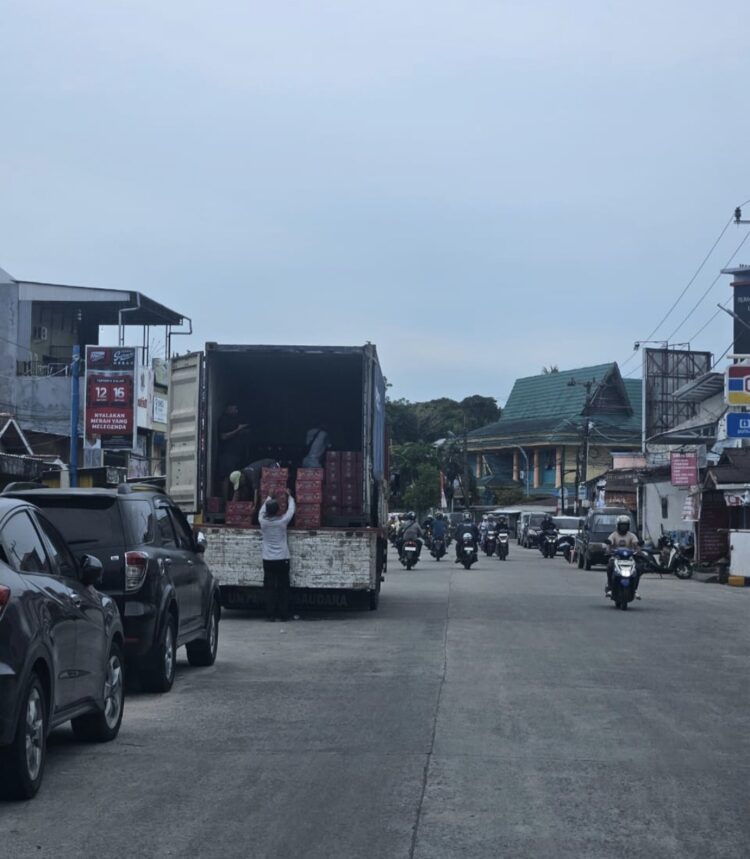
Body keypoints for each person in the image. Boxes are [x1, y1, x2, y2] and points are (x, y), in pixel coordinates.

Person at [259, 489, 297, 622]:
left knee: (269, 588)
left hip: (268, 560)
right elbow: (291, 510)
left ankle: (270, 615)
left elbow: (262, 510)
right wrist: (289, 497)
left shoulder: (263, 522)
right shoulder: (282, 522)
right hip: (282, 559)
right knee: (283, 588)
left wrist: (269, 496)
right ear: (277, 511)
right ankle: (284, 615)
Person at [218, 404, 249, 498]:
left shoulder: (234, 420)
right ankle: (226, 501)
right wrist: (238, 430)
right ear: (228, 408)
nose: (236, 411)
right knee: (226, 477)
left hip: (236, 455)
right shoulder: (224, 420)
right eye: (235, 408)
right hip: (227, 454)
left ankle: (234, 503)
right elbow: (223, 436)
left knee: (237, 478)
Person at [605, 515, 640, 597]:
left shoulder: (631, 535)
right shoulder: (613, 535)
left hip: (629, 559)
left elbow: (636, 545)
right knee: (610, 566)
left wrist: (638, 550)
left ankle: (634, 589)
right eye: (622, 525)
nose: (623, 527)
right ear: (618, 525)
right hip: (616, 558)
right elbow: (609, 543)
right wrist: (608, 550)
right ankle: (610, 587)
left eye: (625, 525)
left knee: (638, 569)